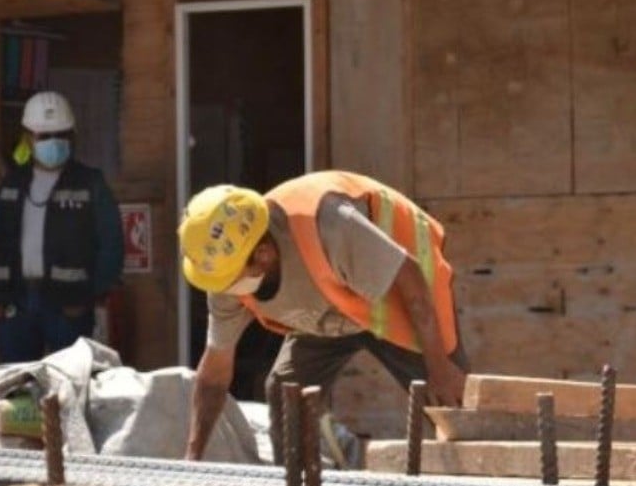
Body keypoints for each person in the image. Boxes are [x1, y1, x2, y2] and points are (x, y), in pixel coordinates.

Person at [177, 170, 470, 460]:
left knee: (450, 404)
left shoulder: (330, 225)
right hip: (328, 311)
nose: (224, 289)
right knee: (285, 392)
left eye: (230, 279)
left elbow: (410, 277)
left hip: (398, 296)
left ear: (264, 255)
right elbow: (215, 371)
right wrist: (193, 457)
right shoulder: (222, 267)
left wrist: (439, 366)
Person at [0, 91, 123, 362]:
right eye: (45, 136)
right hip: (16, 304)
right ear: (28, 137)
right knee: (18, 392)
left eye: (61, 135)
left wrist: (91, 294)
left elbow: (112, 245)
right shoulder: (11, 185)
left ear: (72, 136)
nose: (54, 142)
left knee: (70, 388)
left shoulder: (90, 183)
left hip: (69, 307)